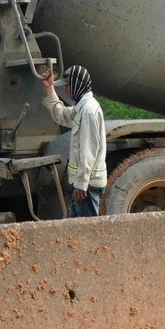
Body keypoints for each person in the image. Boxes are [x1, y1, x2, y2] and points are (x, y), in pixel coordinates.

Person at [41, 65, 107, 217]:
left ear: (77, 84)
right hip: (84, 185)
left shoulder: (88, 111)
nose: (66, 90)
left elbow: (88, 150)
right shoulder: (81, 108)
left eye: (67, 86)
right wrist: (49, 88)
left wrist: (82, 184)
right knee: (77, 230)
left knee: (87, 232)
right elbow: (62, 115)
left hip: (87, 186)